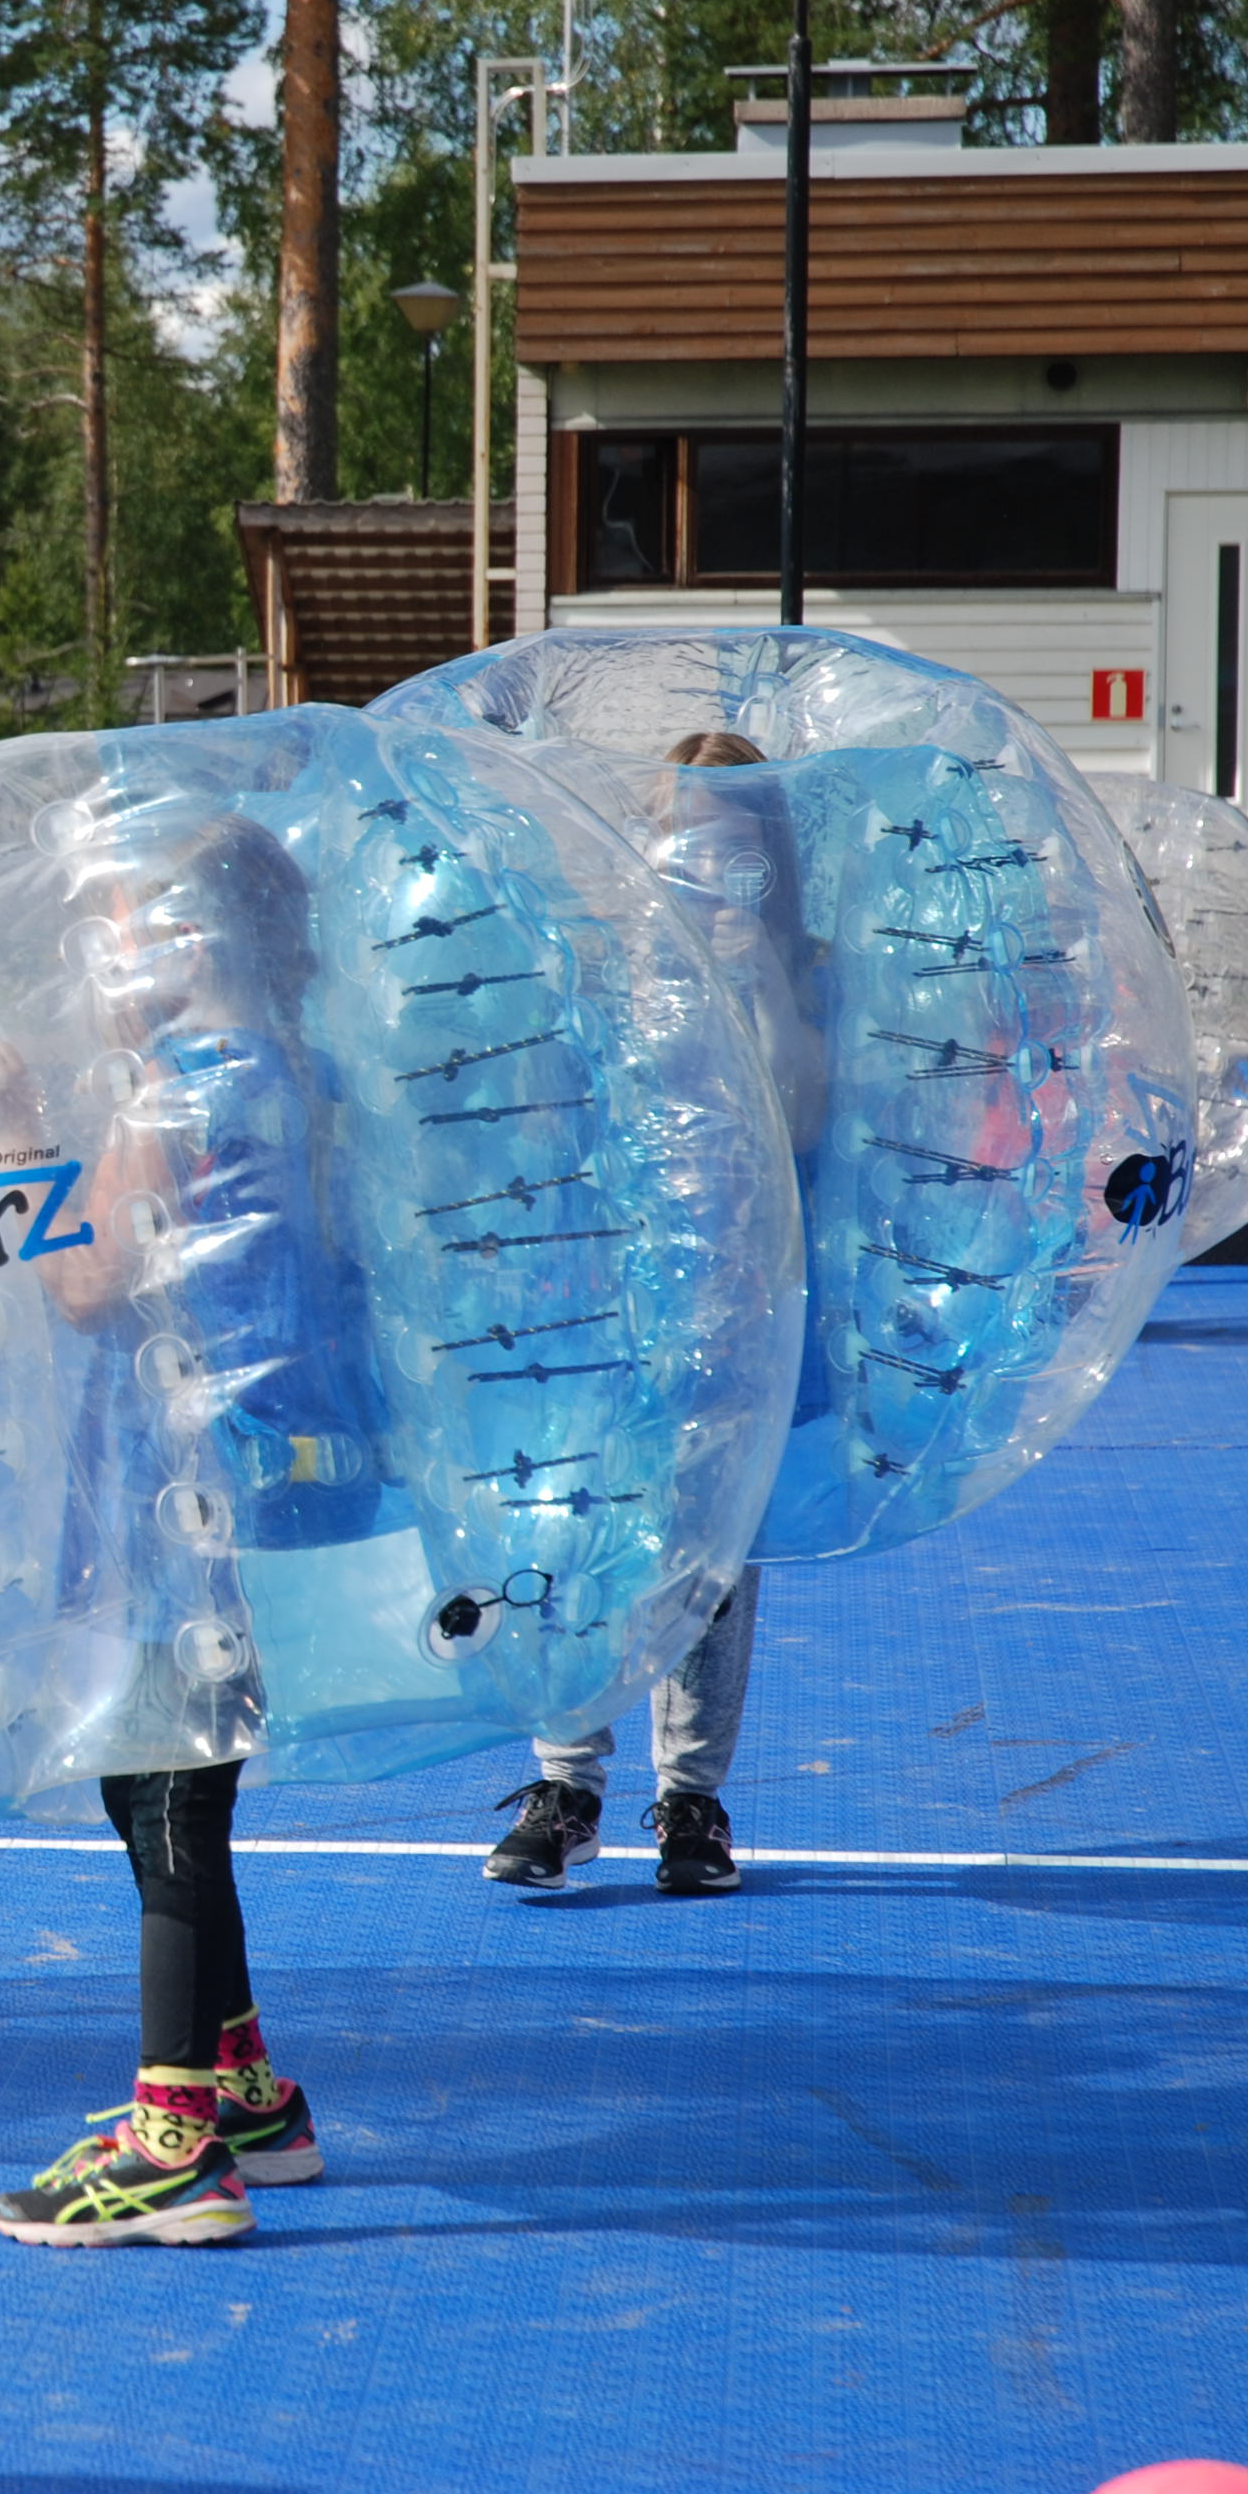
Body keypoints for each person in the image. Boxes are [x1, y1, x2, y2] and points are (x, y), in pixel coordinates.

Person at [0, 814, 343, 2246]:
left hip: (193, 1499)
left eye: (126, 924)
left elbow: (83, 1286)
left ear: (193, 937)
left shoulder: (184, 1081)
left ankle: (174, 2144)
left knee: (169, 1785)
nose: (107, 953)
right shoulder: (275, 1061)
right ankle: (241, 2087)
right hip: (233, 1482)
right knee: (163, 1781)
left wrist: (13, 1139)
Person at [485, 730, 805, 1898]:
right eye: (685, 849)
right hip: (600, 1302)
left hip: (734, 1303)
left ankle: (690, 1801)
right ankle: (564, 1783)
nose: (705, 877)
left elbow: (809, 1114)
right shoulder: (604, 972)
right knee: (574, 1528)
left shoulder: (791, 969)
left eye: (731, 853)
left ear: (765, 862)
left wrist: (760, 979)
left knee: (708, 1555)